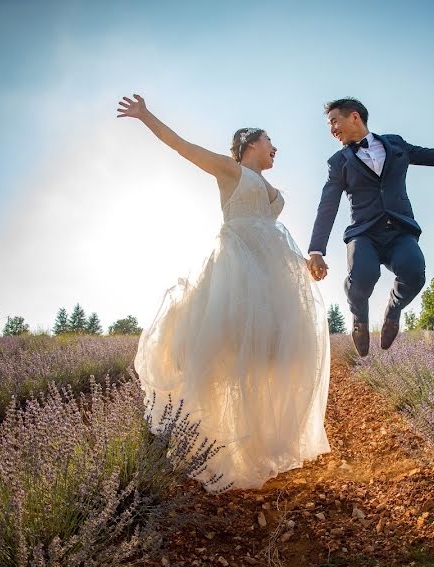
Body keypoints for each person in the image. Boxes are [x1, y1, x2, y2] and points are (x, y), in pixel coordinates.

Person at [117, 94, 331, 493]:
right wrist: (146, 115)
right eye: (271, 141)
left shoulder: (272, 186)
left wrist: (306, 263)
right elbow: (182, 147)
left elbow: (275, 235)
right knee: (227, 357)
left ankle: (264, 443)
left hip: (273, 275)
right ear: (251, 143)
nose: (275, 148)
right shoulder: (230, 172)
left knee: (279, 355)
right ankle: (216, 445)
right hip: (237, 271)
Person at [306, 98, 434, 356]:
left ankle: (393, 311)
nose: (332, 129)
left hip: (399, 230)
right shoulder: (337, 162)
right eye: (330, 125)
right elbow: (328, 204)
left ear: (355, 117)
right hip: (364, 234)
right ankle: (359, 318)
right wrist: (316, 250)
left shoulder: (396, 144)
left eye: (334, 121)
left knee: (415, 272)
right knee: (362, 277)